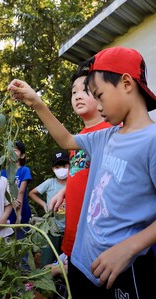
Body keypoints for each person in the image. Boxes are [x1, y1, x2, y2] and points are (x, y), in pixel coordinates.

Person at [8, 46, 156, 299]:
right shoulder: (105, 136)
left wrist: (129, 248)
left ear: (127, 84)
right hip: (83, 264)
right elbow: (66, 138)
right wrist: (37, 103)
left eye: (99, 95)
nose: (97, 104)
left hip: (123, 269)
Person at [47, 65, 112, 272]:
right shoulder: (78, 139)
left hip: (97, 240)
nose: (78, 96)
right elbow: (83, 174)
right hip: (74, 232)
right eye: (74, 92)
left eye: (85, 90)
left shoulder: (111, 132)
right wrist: (64, 191)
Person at [28, 150, 69, 267]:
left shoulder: (73, 183)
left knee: (65, 264)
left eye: (64, 166)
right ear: (53, 169)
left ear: (70, 166)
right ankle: (43, 283)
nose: (61, 169)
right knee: (47, 261)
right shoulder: (50, 183)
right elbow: (32, 193)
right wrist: (44, 205)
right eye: (57, 166)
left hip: (69, 230)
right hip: (51, 230)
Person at [0, 140, 32, 239]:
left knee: (22, 240)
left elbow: (21, 192)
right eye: (11, 150)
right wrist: (11, 201)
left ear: (22, 155)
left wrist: (19, 215)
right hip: (6, 211)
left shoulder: (24, 170)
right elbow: (1, 192)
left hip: (22, 210)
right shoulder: (2, 172)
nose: (13, 152)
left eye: (16, 150)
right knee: (6, 241)